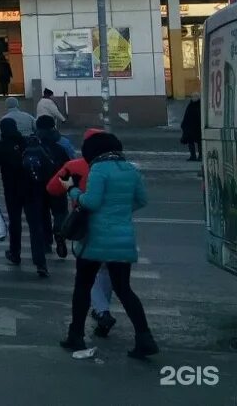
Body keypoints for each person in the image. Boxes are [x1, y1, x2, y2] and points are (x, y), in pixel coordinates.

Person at [58, 131, 159, 358]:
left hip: (95, 239)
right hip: (123, 238)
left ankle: (76, 335)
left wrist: (71, 189)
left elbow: (91, 202)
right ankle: (144, 337)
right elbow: (142, 200)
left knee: (83, 287)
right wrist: (120, 213)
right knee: (124, 289)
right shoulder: (131, 169)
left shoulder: (99, 169)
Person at [47, 128, 118, 339]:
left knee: (88, 274)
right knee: (107, 271)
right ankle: (102, 309)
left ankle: (101, 312)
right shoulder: (119, 167)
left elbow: (52, 188)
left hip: (85, 224)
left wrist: (73, 190)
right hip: (117, 225)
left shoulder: (75, 166)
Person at [0, 118, 51, 277]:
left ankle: (15, 253)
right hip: (32, 190)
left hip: (12, 191)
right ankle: (40, 262)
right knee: (35, 226)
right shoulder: (27, 142)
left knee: (15, 223)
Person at [34, 114, 76, 259]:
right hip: (59, 182)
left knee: (42, 213)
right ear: (53, 126)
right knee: (60, 212)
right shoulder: (63, 142)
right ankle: (59, 234)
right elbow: (72, 162)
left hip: (38, 184)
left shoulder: (34, 142)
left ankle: (46, 242)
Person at [181, 94, 202, 161]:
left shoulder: (193, 105)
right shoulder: (195, 105)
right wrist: (183, 125)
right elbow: (186, 116)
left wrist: (184, 125)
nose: (193, 98)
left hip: (195, 127)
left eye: (194, 97)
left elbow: (187, 116)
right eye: (193, 97)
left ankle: (196, 156)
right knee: (194, 142)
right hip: (193, 127)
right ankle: (195, 156)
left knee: (197, 142)